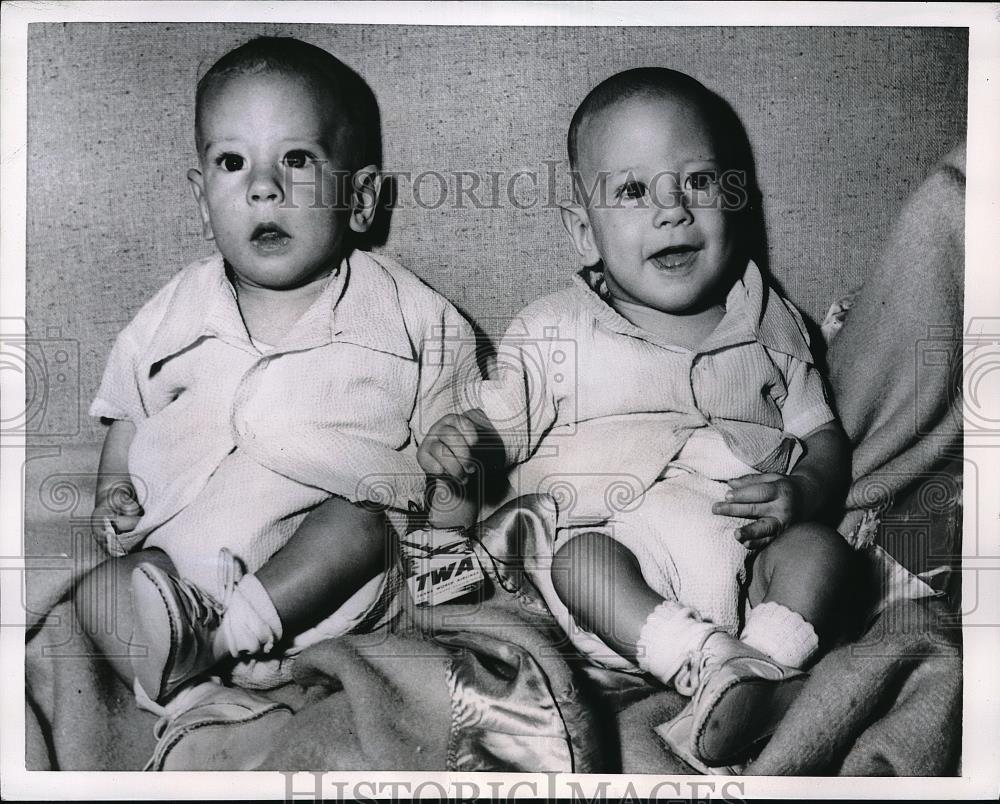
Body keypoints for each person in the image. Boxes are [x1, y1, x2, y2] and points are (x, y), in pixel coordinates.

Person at [417, 67, 855, 768]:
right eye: (631, 191)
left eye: (699, 182)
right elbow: (486, 445)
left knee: (824, 554)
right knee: (581, 563)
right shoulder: (555, 330)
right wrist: (459, 450)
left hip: (752, 561)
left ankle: (759, 677)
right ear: (583, 234)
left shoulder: (771, 321)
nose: (673, 210)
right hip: (620, 585)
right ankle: (705, 662)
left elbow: (822, 437)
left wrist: (804, 493)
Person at [76, 36, 474, 757]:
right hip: (174, 579)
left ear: (358, 199)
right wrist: (113, 494)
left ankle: (218, 643)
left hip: (324, 593)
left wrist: (457, 465)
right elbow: (130, 412)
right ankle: (197, 694)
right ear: (202, 200)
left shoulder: (412, 315)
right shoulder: (171, 310)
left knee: (360, 520)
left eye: (296, 160)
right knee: (97, 590)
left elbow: (452, 474)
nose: (264, 188)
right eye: (233, 163)